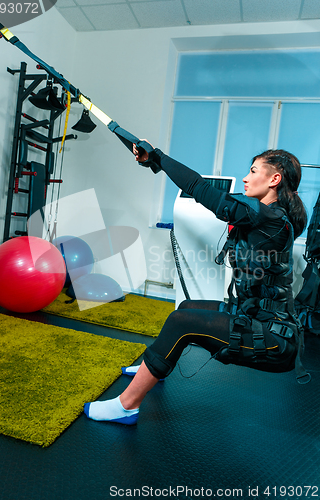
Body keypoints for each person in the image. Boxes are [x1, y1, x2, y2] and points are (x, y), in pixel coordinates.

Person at [84, 144, 308, 425]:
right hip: (255, 316)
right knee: (188, 306)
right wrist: (155, 162)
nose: (246, 178)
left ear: (274, 179)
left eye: (253, 171)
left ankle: (127, 405)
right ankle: (152, 367)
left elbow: (198, 187)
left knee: (182, 321)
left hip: (275, 341)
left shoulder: (268, 216)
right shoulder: (269, 215)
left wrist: (158, 158)